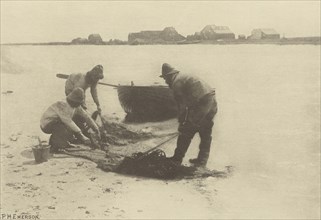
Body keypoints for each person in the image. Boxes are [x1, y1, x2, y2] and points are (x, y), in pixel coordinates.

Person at [159, 63, 218, 167]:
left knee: (186, 132)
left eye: (165, 78)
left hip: (203, 102)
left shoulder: (177, 83)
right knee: (205, 131)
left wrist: (183, 122)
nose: (165, 81)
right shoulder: (183, 77)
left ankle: (177, 159)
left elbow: (182, 105)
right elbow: (189, 103)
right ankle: (202, 161)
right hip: (212, 101)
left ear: (170, 76)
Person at [40, 88, 100, 153]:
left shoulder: (76, 106)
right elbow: (68, 121)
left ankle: (64, 141)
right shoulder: (62, 104)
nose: (78, 105)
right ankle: (55, 147)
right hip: (47, 124)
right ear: (73, 100)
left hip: (60, 121)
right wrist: (81, 135)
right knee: (61, 127)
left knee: (79, 119)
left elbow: (86, 116)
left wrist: (95, 128)